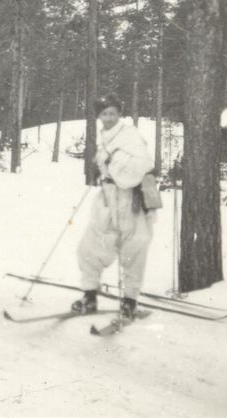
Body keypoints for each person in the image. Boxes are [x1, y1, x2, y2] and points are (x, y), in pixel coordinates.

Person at [72, 93, 157, 319]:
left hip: (131, 201)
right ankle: (89, 297)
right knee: (90, 247)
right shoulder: (106, 135)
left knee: (134, 250)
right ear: (98, 116)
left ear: (119, 113)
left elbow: (143, 164)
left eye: (112, 113)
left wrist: (115, 164)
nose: (108, 117)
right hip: (108, 200)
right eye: (104, 113)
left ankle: (130, 301)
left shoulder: (130, 135)